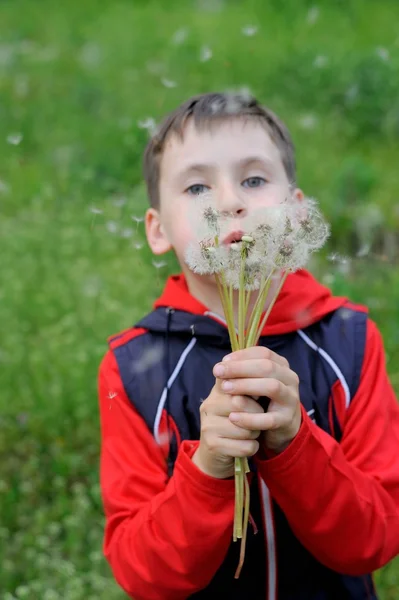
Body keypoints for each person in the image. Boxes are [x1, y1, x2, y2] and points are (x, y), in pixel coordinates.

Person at [98, 92, 399, 600]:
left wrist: (294, 444)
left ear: (298, 213)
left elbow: (375, 538)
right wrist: (208, 466)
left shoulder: (348, 340)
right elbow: (144, 575)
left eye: (254, 180)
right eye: (196, 186)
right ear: (157, 230)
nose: (228, 201)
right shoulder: (133, 369)